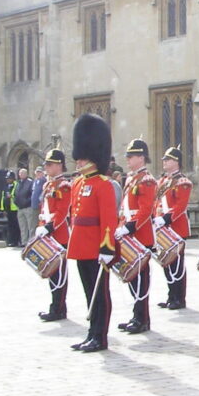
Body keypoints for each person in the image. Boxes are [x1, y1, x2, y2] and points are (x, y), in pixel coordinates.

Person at [66, 114, 119, 352]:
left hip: (98, 248)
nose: (78, 162)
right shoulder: (78, 183)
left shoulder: (104, 184)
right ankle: (91, 333)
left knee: (100, 293)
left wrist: (107, 248)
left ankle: (101, 336)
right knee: (89, 292)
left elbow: (109, 220)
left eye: (83, 158)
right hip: (81, 246)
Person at [115, 138, 157, 335]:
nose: (128, 160)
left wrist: (130, 227)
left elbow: (145, 209)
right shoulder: (132, 179)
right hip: (129, 233)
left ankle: (142, 318)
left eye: (131, 157)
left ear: (141, 158)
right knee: (132, 278)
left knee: (140, 279)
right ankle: (137, 315)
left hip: (140, 235)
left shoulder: (146, 180)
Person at [153, 145, 192, 310]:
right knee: (166, 262)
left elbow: (180, 205)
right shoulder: (163, 181)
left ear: (176, 162)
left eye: (168, 159)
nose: (164, 162)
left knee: (177, 264)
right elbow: (157, 202)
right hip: (162, 227)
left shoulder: (182, 181)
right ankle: (171, 295)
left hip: (175, 227)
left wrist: (166, 219)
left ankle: (179, 297)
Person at [36, 149, 72, 321]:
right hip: (49, 233)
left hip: (59, 234)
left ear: (59, 165)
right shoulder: (48, 185)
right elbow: (45, 210)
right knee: (51, 272)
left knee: (59, 274)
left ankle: (58, 308)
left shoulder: (64, 185)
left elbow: (62, 211)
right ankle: (56, 306)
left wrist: (49, 227)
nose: (47, 167)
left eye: (50, 164)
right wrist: (41, 226)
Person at [14, 168, 35, 248]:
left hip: (28, 207)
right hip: (20, 208)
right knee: (22, 226)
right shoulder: (18, 183)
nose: (21, 175)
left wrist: (27, 201)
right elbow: (16, 194)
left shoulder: (30, 182)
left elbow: (32, 194)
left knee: (30, 225)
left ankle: (31, 242)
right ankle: (24, 242)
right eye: (20, 173)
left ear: (26, 174)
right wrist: (15, 201)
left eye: (23, 173)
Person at [0, 171, 20, 247]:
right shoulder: (5, 187)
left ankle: (17, 241)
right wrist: (3, 209)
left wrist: (11, 196)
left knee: (16, 226)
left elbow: (17, 195)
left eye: (9, 178)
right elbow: (2, 198)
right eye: (7, 178)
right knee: (10, 226)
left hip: (15, 209)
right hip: (8, 209)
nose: (8, 180)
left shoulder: (16, 185)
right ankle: (11, 241)